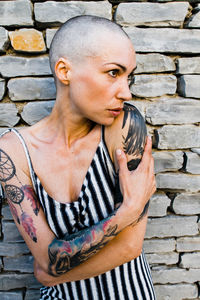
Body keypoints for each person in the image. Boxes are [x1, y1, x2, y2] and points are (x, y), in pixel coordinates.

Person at [0, 15, 156, 299]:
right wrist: (127, 213)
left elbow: (130, 247)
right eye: (113, 73)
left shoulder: (123, 126)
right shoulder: (13, 151)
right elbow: (47, 259)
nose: (126, 91)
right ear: (64, 71)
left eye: (128, 76)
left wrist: (51, 272)